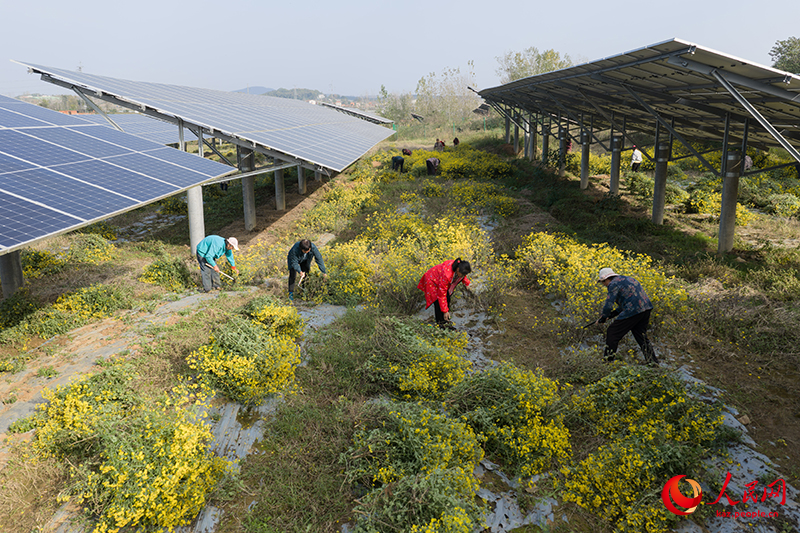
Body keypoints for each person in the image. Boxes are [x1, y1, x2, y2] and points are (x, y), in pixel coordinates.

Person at [594, 267, 658, 365]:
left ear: (607, 279)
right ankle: (653, 363)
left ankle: (607, 363)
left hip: (633, 311)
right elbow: (630, 300)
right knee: (641, 336)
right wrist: (612, 315)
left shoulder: (613, 284)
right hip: (646, 308)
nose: (603, 284)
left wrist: (603, 317)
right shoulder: (629, 279)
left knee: (612, 332)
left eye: (603, 282)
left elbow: (609, 304)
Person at [417, 258, 472, 328]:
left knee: (447, 299)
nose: (463, 276)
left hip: (439, 279)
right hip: (432, 281)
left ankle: (445, 320)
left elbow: (462, 276)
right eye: (462, 274)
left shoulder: (458, 265)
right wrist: (445, 311)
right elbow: (441, 295)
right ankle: (440, 324)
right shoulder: (447, 275)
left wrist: (467, 283)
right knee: (438, 302)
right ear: (458, 270)